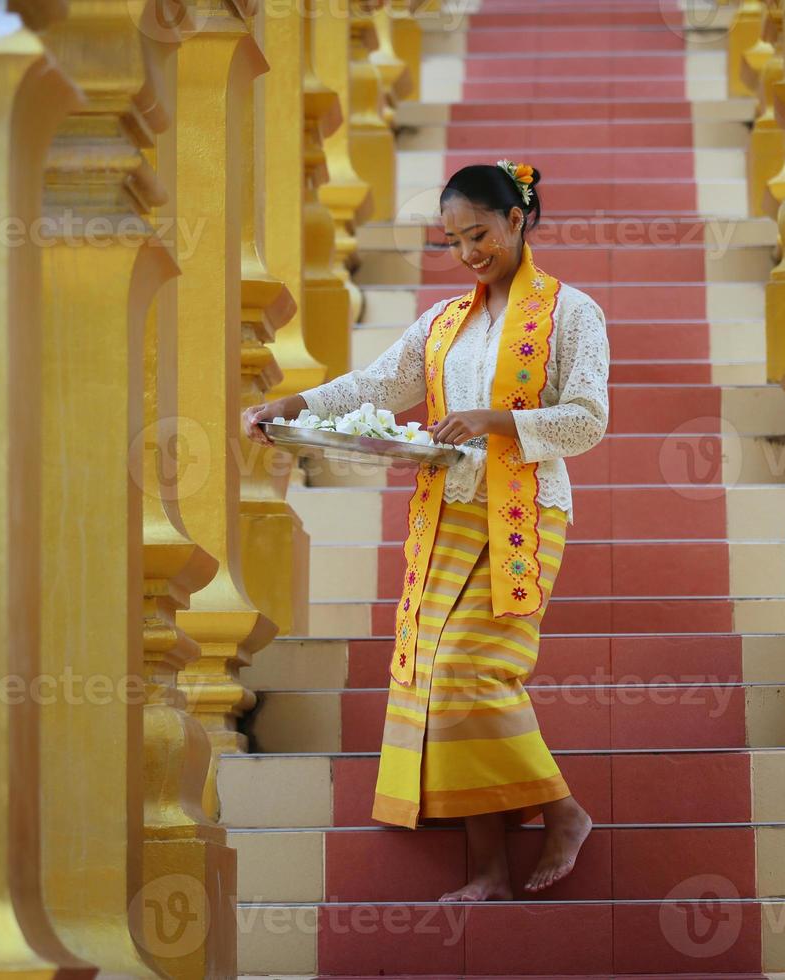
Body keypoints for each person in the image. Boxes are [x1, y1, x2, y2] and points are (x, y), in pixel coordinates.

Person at [243, 160, 610, 901]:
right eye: (453, 240)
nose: (469, 252)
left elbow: (588, 420)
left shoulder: (573, 313)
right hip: (446, 511)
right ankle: (490, 872)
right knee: (440, 679)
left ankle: (562, 812)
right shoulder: (444, 324)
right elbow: (374, 387)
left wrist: (493, 420)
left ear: (518, 219)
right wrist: (292, 406)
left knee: (472, 668)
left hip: (525, 511)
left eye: (479, 233)